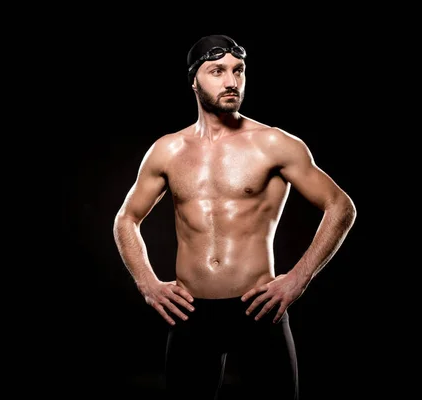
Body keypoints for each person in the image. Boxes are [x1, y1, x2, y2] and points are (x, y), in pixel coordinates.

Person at [112, 34, 357, 400]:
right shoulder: (167, 150)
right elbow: (126, 218)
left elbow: (341, 206)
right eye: (217, 71)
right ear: (194, 81)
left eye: (238, 71)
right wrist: (147, 283)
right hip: (190, 314)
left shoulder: (274, 143)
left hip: (258, 311)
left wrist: (297, 280)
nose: (231, 81)